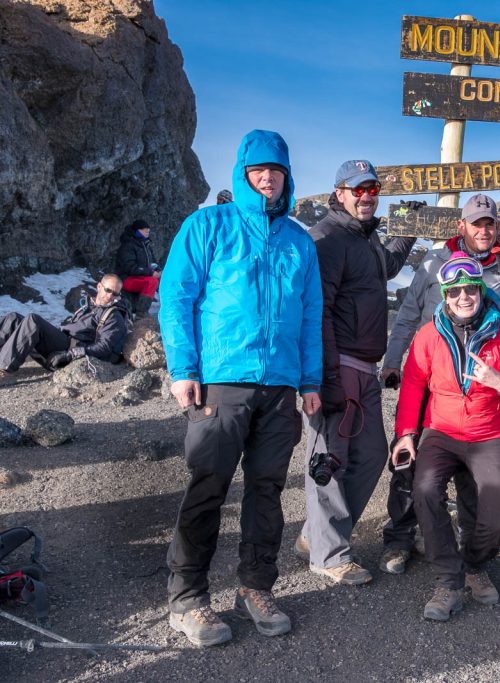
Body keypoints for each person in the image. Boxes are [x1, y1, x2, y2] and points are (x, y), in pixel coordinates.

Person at [159, 129, 322, 647]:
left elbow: (311, 314)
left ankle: (255, 587)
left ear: (286, 176)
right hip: (221, 382)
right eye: (259, 169)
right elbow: (176, 298)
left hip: (278, 388)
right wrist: (183, 369)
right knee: (208, 486)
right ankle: (188, 598)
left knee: (267, 491)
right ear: (244, 172)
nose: (268, 177)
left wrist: (310, 379)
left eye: (277, 169)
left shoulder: (299, 240)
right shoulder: (209, 225)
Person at [391, 253, 500, 621]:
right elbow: (412, 385)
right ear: (445, 295)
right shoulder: (430, 334)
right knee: (425, 491)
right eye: (455, 290)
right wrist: (406, 434)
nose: (463, 297)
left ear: (480, 291)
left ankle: (474, 563)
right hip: (441, 432)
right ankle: (449, 580)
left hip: (489, 433)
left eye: (470, 289)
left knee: (498, 517)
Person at [295, 160, 416, 585]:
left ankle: (316, 534)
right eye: (359, 189)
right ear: (339, 193)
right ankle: (330, 557)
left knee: (368, 459)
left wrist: (407, 229)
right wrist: (324, 376)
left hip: (365, 369)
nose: (368, 196)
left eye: (374, 189)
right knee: (330, 459)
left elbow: (385, 266)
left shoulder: (362, 239)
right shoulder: (327, 238)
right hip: (339, 366)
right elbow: (318, 311)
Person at [377, 193, 500, 575]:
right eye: (476, 223)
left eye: (489, 224)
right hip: (427, 373)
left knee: (470, 472)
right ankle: (400, 537)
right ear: (461, 227)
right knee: (408, 455)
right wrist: (391, 362)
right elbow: (408, 315)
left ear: (496, 228)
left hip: (474, 386)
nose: (483, 230)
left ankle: (470, 547)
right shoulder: (435, 262)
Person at [0, 274, 128, 374]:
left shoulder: (113, 316)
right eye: (108, 290)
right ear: (99, 286)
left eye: (115, 293)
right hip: (63, 341)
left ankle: (3, 368)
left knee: (33, 321)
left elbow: (104, 347)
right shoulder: (88, 306)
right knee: (13, 318)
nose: (110, 295)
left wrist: (72, 354)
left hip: (68, 352)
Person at [115, 219, 160, 316]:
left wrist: (158, 270)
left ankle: (168, 307)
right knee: (152, 281)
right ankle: (141, 313)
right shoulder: (128, 246)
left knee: (165, 278)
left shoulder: (146, 245)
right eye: (144, 229)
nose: (148, 231)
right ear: (137, 231)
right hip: (126, 279)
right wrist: (151, 273)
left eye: (148, 229)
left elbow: (152, 263)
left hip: (140, 277)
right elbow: (129, 267)